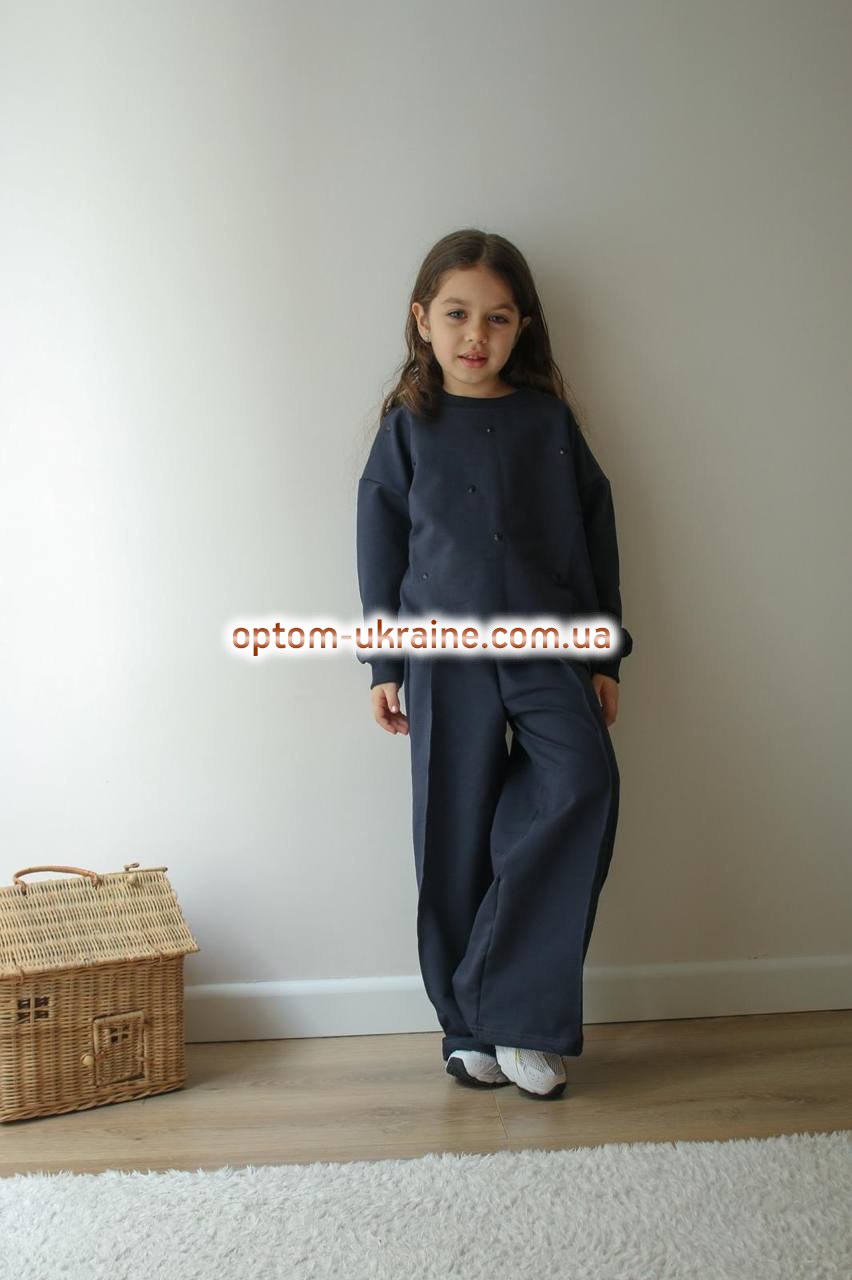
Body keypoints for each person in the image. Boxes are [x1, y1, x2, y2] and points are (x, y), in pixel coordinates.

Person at [355, 228, 633, 1100]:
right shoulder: (408, 430)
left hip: (549, 649)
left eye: (498, 318)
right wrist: (383, 663)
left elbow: (594, 535)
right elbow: (380, 548)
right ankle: (467, 1026)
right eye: (457, 314)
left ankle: (513, 1008)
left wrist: (605, 650)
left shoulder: (548, 423)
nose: (476, 335)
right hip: (443, 657)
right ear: (423, 319)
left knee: (581, 783)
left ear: (523, 326)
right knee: (454, 829)